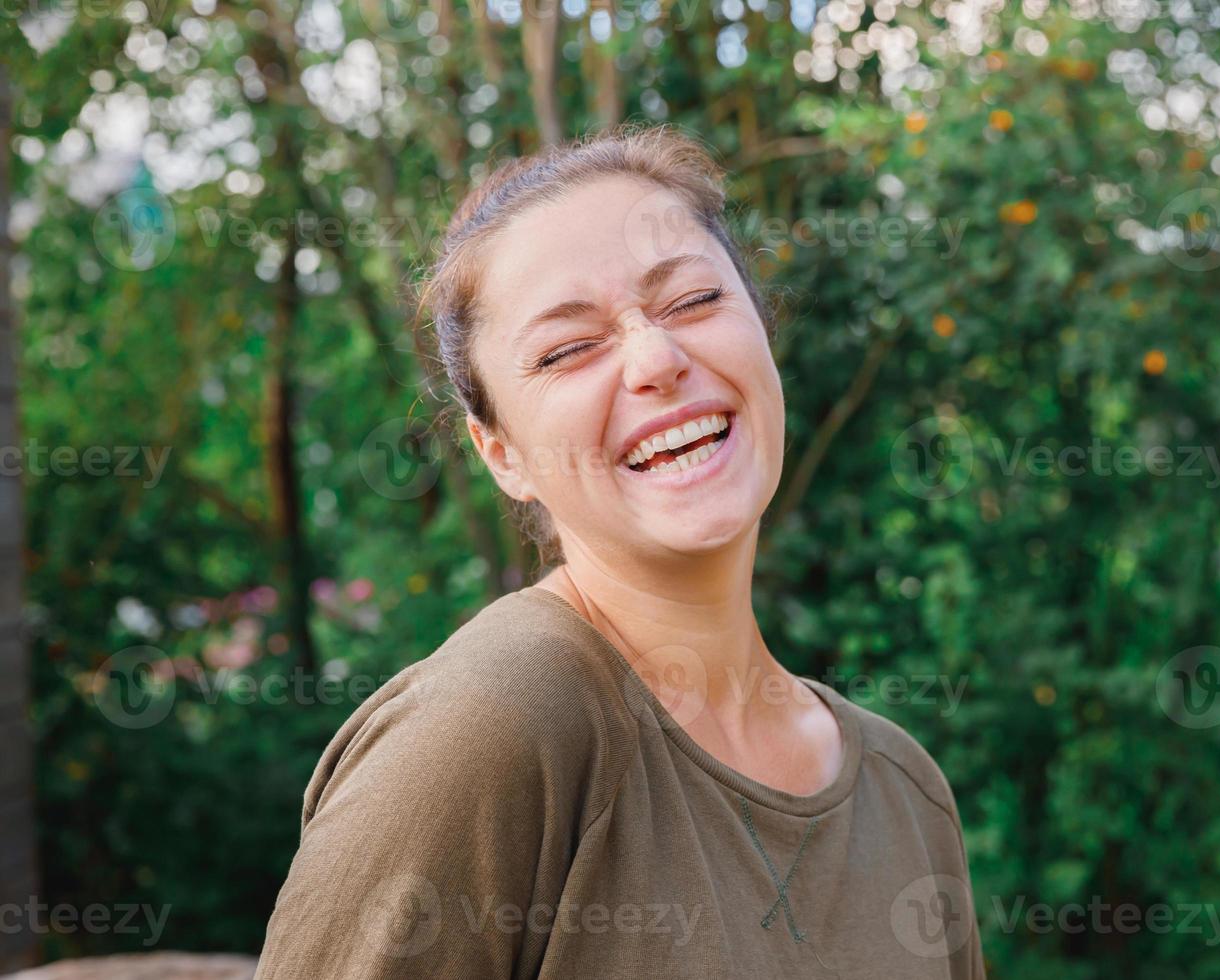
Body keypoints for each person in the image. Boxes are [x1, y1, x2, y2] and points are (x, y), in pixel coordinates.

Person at [253, 123, 985, 979]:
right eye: (568, 349)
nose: (655, 357)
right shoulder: (490, 727)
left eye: (692, 302)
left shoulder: (906, 791)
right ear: (503, 455)